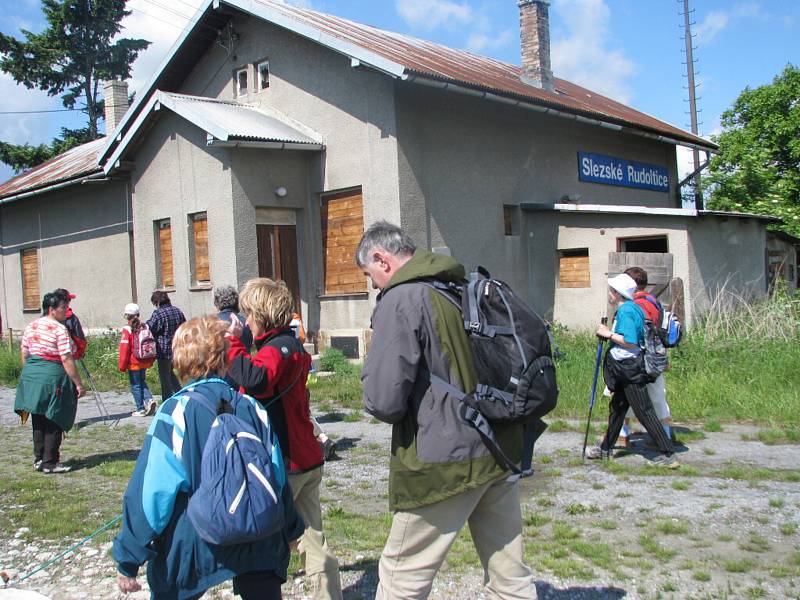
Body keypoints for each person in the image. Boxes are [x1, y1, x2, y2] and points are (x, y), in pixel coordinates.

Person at [356, 221, 534, 600]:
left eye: (369, 274)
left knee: (400, 577)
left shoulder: (402, 299)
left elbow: (384, 401)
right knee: (510, 576)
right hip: (498, 445)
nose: (372, 285)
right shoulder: (457, 284)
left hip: (446, 459)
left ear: (381, 259)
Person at [113, 316, 304, 600]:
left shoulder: (174, 412)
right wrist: (289, 528)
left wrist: (129, 556)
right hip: (256, 531)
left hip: (197, 536)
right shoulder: (251, 407)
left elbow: (151, 492)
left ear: (178, 363)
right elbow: (274, 475)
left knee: (172, 582)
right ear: (226, 360)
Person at [226, 278, 343, 600]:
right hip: (305, 458)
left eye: (249, 314)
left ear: (261, 314)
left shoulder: (278, 348)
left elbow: (256, 380)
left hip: (287, 463)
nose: (246, 321)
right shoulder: (289, 345)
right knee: (312, 539)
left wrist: (234, 344)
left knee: (265, 540)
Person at [586, 274, 679, 468]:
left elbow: (630, 341)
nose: (609, 294)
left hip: (629, 368)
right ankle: (605, 448)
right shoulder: (633, 308)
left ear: (617, 293)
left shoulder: (627, 310)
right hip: (626, 367)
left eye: (611, 290)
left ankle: (668, 454)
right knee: (618, 408)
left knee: (644, 411)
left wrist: (608, 334)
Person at [14, 291, 85, 474]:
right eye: (63, 307)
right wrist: (77, 382)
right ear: (52, 309)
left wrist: (31, 373)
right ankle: (50, 462)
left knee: (38, 417)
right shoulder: (59, 329)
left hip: (32, 375)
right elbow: (67, 358)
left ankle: (39, 459)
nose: (66, 310)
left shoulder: (31, 326)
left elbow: (25, 352)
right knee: (55, 417)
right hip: (52, 377)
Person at [616, 267, 673, 448]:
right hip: (655, 357)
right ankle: (665, 435)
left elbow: (632, 335)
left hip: (636, 359)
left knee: (623, 396)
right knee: (658, 396)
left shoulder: (632, 305)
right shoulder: (653, 302)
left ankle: (622, 435)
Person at [118, 303, 157, 417]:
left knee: (135, 385)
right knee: (142, 381)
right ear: (138, 314)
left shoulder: (127, 329)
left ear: (126, 316)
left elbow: (124, 349)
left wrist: (122, 366)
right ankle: (149, 399)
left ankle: (140, 409)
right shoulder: (144, 326)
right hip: (144, 360)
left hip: (133, 362)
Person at [146, 290, 186, 402]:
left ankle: (167, 401)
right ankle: (180, 395)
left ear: (157, 302)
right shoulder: (177, 311)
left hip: (164, 350)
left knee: (164, 378)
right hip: (177, 348)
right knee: (170, 373)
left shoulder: (158, 314)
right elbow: (184, 327)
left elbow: (150, 327)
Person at [214, 285, 253, 350]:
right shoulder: (246, 322)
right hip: (244, 359)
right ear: (237, 303)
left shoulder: (212, 324)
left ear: (217, 304)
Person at [54, 288, 87, 361]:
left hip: (50, 357)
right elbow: (79, 339)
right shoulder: (72, 317)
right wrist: (80, 353)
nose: (70, 302)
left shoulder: (46, 317)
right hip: (69, 356)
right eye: (69, 300)